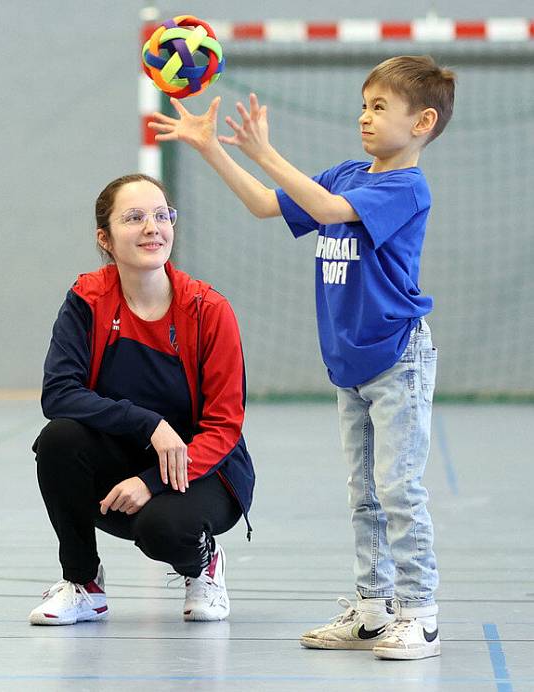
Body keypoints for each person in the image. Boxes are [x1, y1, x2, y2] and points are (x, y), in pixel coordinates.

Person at [150, 55, 454, 660]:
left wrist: (266, 150)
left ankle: (420, 611)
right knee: (362, 491)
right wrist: (212, 148)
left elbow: (327, 211)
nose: (364, 118)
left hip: (397, 358)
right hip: (350, 362)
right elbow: (268, 204)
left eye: (379, 108)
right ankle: (373, 609)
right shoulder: (346, 172)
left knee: (398, 488)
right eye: (363, 105)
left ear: (422, 122)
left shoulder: (404, 187)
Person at [31, 173, 254, 627]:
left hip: (204, 469)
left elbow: (225, 426)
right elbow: (58, 394)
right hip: (120, 464)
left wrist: (152, 480)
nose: (152, 227)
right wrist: (147, 423)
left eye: (161, 215)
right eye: (134, 218)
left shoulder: (208, 310)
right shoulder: (88, 300)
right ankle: (83, 582)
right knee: (59, 439)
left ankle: (203, 566)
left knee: (164, 530)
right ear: (105, 239)